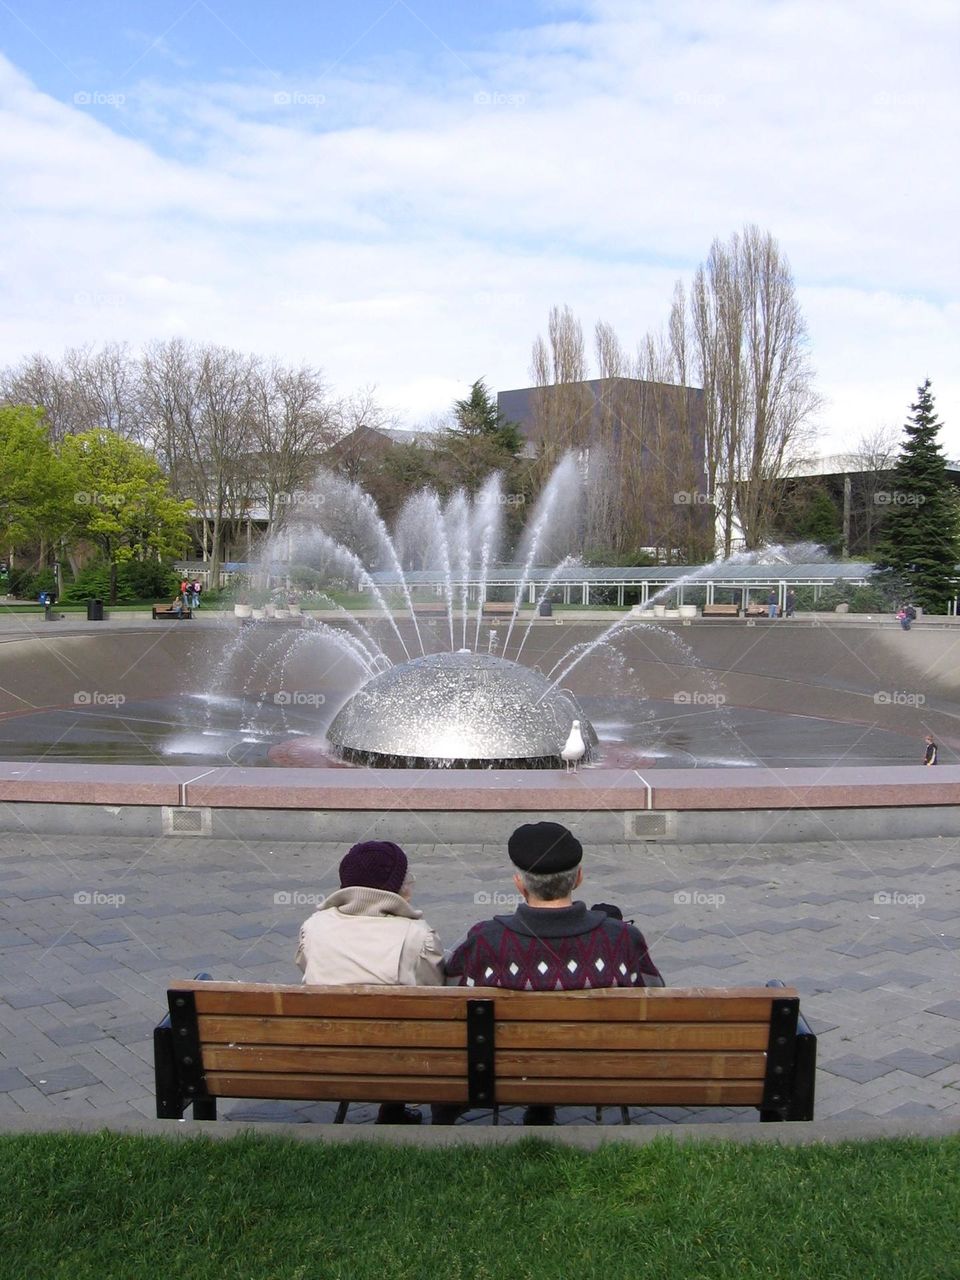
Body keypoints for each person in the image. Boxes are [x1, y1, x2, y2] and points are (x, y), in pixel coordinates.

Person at [441, 821, 663, 1125]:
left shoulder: (486, 940)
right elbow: (656, 999)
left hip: (506, 1073)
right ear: (579, 878)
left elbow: (448, 1000)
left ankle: (536, 1106)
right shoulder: (622, 939)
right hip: (604, 1071)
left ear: (519, 883)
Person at [295, 839, 444, 1124]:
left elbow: (307, 968)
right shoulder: (418, 935)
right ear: (400, 888)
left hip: (326, 1052)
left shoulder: (314, 927)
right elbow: (434, 993)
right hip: (397, 1059)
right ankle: (392, 1108)